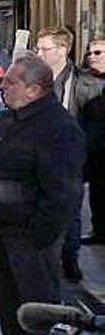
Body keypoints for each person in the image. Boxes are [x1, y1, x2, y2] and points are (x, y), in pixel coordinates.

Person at [0, 53, 85, 335]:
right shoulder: (8, 119)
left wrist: (39, 237)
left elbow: (63, 195)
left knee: (36, 314)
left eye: (10, 82)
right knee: (9, 308)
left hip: (30, 241)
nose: (2, 86)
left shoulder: (59, 128)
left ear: (34, 89)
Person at [34, 27, 101, 282]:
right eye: (37, 48)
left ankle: (69, 260)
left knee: (71, 215)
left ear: (63, 50)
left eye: (44, 49)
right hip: (36, 162)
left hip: (69, 164)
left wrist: (79, 159)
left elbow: (96, 131)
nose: (39, 54)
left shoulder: (88, 84)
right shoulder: (33, 80)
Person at [81, 36, 105, 245]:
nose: (92, 57)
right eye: (90, 52)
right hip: (94, 152)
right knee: (97, 195)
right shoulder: (82, 80)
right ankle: (99, 231)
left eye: (98, 53)